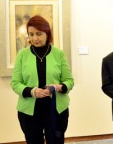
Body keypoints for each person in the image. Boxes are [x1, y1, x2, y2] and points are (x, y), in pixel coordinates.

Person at [11, 15, 74, 144]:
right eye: (31, 34)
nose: (34, 38)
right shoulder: (22, 55)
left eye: (39, 34)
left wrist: (58, 87)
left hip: (56, 110)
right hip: (29, 111)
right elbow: (15, 83)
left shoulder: (59, 54)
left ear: (47, 33)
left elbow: (69, 80)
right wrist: (32, 91)